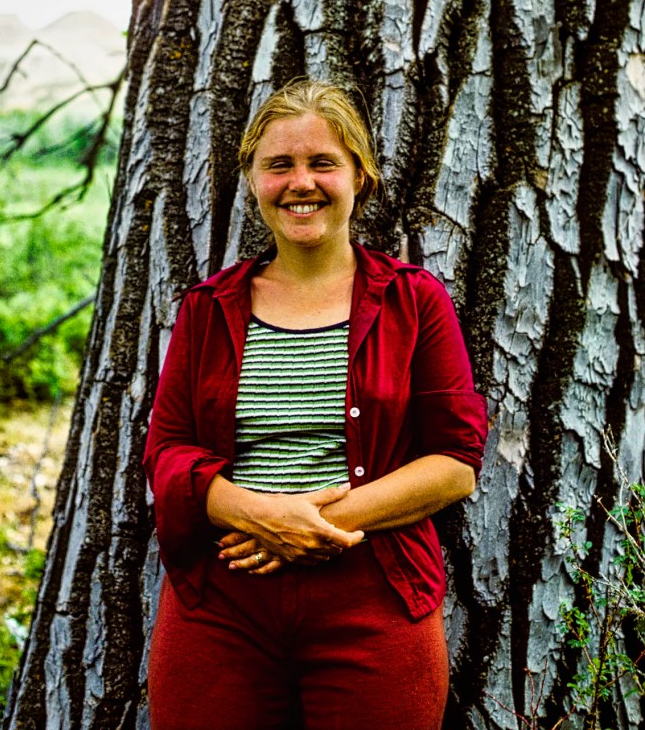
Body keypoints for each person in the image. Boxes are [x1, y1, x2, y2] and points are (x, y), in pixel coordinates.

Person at [143, 79, 488, 730]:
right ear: (252, 178)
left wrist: (307, 529)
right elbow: (165, 452)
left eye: (322, 162)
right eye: (279, 164)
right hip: (220, 598)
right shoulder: (207, 309)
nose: (301, 182)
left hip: (374, 591)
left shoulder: (413, 303)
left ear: (359, 174)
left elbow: (454, 463)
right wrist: (257, 513)